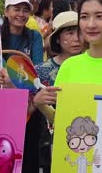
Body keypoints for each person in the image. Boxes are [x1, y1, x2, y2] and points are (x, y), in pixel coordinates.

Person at [0, 0, 44, 172]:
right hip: (3, 102)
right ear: (6, 12)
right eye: (16, 9)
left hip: (28, 104)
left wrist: (13, 78)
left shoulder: (34, 36)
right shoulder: (0, 37)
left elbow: (37, 69)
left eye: (25, 10)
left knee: (28, 150)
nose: (21, 14)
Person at [34, 11, 83, 173]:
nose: (76, 38)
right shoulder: (41, 71)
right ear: (57, 38)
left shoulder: (93, 67)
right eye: (69, 33)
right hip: (50, 142)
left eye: (79, 32)